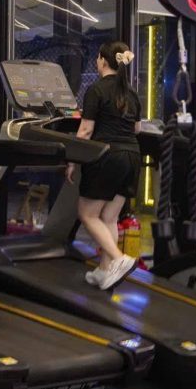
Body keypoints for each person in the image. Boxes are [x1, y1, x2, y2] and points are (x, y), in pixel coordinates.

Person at [66, 41, 141, 291]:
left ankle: (119, 259)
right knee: (109, 217)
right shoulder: (131, 93)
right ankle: (105, 270)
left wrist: (72, 160)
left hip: (107, 156)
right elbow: (136, 129)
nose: (96, 62)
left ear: (103, 61)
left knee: (87, 214)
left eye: (98, 58)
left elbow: (85, 130)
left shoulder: (96, 90)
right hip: (131, 157)